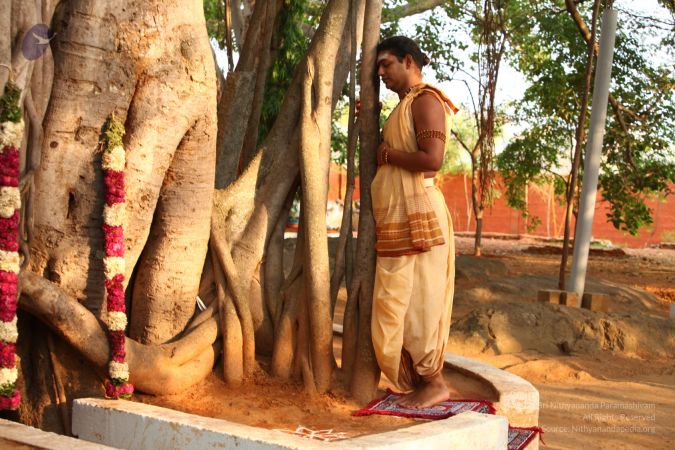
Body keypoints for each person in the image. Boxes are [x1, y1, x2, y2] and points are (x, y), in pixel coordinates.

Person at [370, 36, 458, 408]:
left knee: (419, 300)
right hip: (401, 214)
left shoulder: (425, 101)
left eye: (386, 64)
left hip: (422, 214)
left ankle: (434, 382)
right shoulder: (404, 106)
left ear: (409, 61)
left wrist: (388, 154)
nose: (381, 73)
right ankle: (420, 381)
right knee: (400, 300)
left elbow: (432, 159)